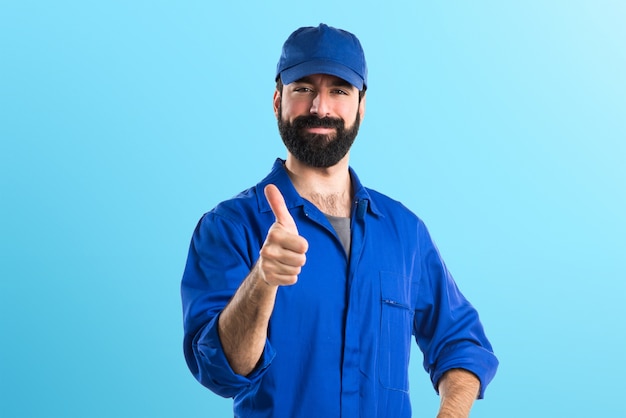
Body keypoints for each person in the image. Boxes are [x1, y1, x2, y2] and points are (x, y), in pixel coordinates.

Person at [181, 23, 498, 417]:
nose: (320, 107)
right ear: (277, 99)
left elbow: (462, 342)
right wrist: (263, 279)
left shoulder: (404, 233)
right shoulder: (230, 227)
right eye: (303, 89)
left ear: (361, 105)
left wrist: (451, 412)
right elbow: (220, 371)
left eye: (339, 90)